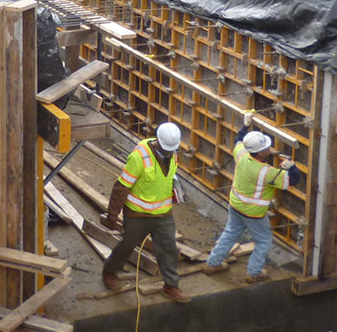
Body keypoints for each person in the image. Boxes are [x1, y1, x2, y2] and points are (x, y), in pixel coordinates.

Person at [203, 113, 303, 283]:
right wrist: (292, 168)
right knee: (264, 241)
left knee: (230, 233)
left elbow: (238, 141)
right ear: (260, 153)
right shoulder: (266, 172)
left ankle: (212, 264)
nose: (269, 149)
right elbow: (292, 181)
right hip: (253, 214)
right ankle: (254, 273)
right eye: (266, 148)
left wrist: (245, 125)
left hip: (235, 205)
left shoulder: (242, 155)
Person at [102, 122, 190, 303]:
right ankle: (110, 272)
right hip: (138, 214)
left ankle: (171, 286)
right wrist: (112, 215)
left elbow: (167, 178)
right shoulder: (140, 156)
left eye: (172, 150)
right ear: (157, 140)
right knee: (127, 245)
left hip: (163, 214)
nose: (169, 153)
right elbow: (121, 187)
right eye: (167, 149)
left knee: (168, 249)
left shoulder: (172, 154)